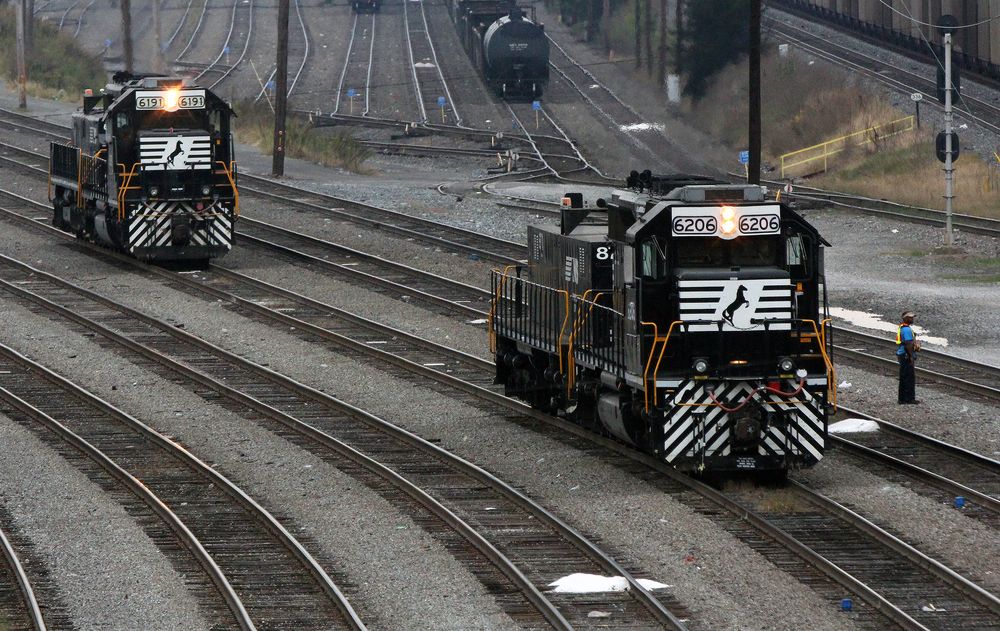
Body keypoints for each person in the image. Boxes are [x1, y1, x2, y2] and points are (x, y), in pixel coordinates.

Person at [896, 311, 921, 404]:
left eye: (912, 317)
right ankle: (908, 399)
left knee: (904, 377)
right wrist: (911, 356)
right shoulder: (906, 329)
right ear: (905, 318)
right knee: (909, 377)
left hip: (902, 354)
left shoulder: (903, 327)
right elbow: (908, 344)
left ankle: (902, 399)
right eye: (910, 317)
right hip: (906, 355)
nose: (912, 319)